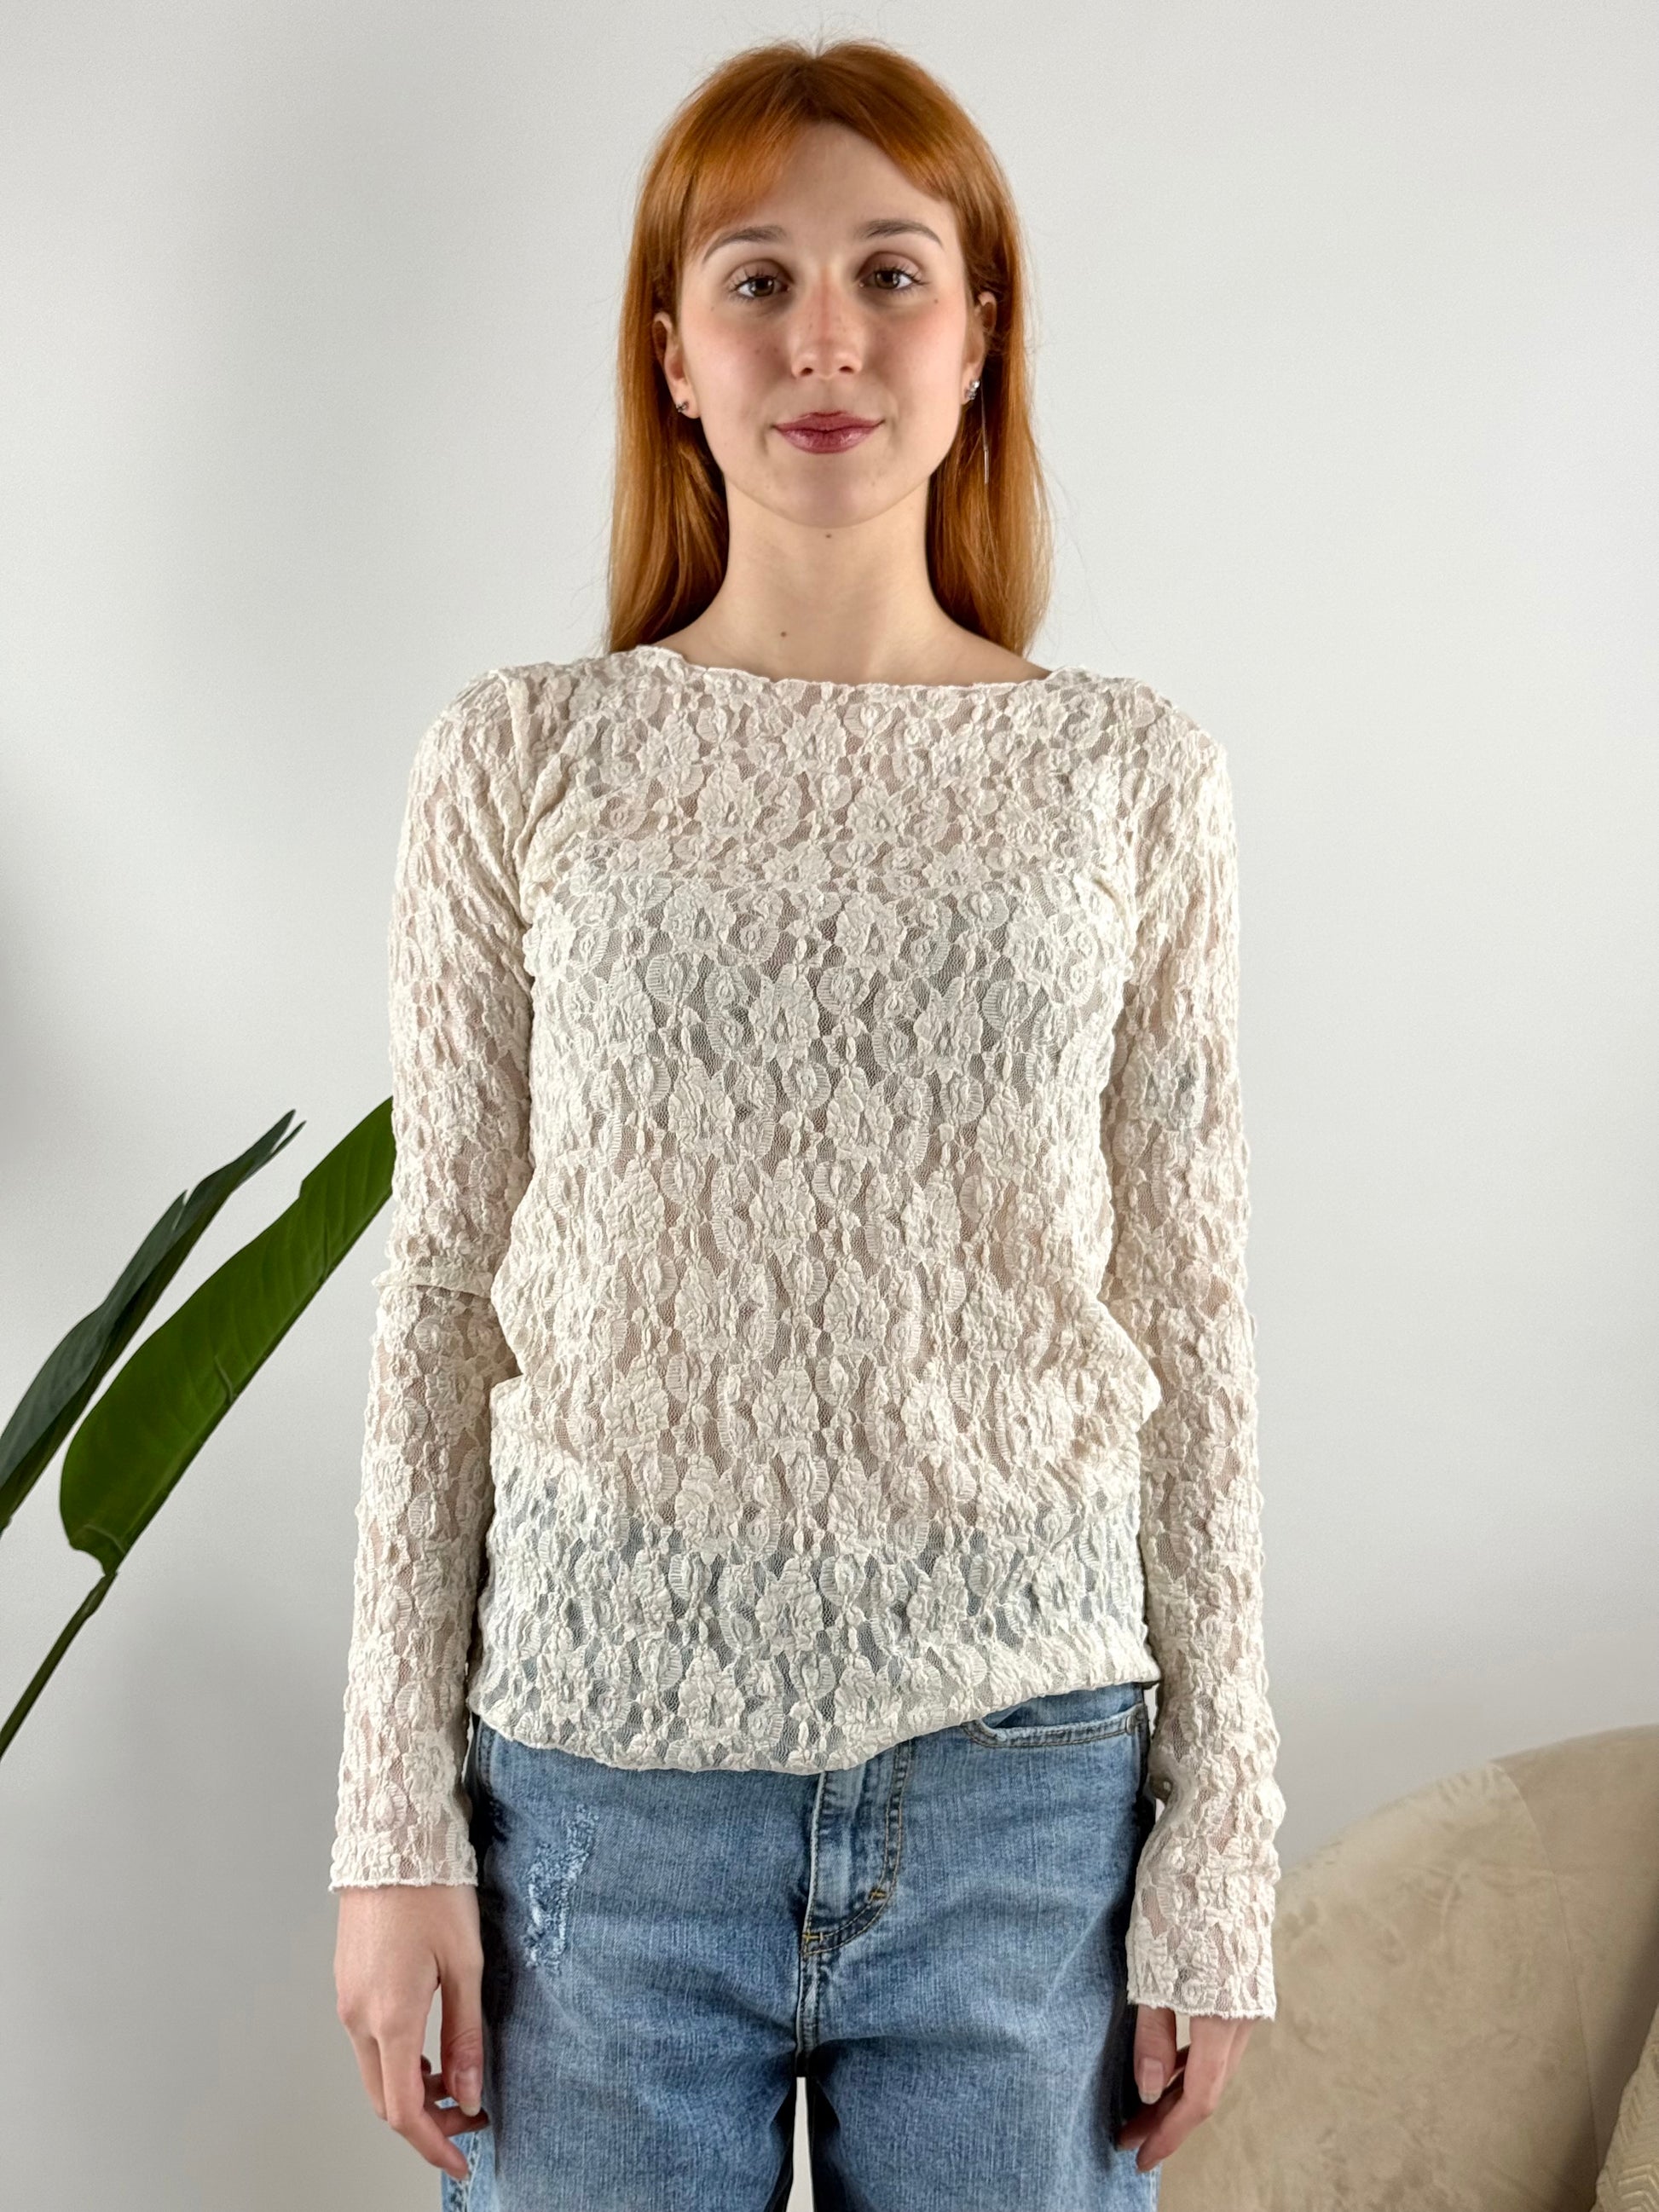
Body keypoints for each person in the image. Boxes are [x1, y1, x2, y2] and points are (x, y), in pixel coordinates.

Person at [331, 33, 1286, 2209]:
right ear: (673, 354)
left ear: (980, 339)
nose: (825, 337)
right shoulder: (521, 756)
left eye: (890, 273)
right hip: (591, 1795)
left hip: (1029, 1791)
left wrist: (1218, 1849)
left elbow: (1191, 1314)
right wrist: (391, 1827)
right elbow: (445, 1292)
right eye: (756, 280)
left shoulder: (1130, 774)